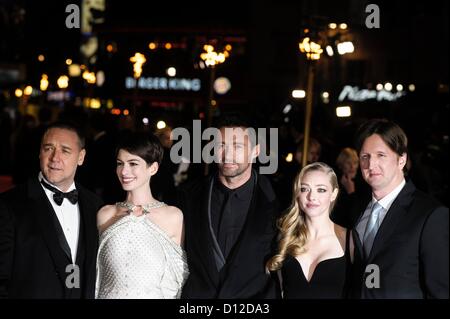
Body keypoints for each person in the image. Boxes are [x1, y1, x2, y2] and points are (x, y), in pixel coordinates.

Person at [178, 113, 280, 298]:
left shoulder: (278, 202)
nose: (228, 154)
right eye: (221, 146)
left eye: (237, 146)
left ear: (255, 151)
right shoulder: (187, 197)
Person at [0, 121, 103, 298]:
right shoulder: (9, 205)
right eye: (48, 148)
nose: (55, 158)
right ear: (40, 153)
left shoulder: (95, 205)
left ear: (81, 157)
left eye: (65, 150)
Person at [351, 118, 449, 298]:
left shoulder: (430, 215)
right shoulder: (355, 209)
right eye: (365, 156)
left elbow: (441, 291)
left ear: (401, 159)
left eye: (381, 155)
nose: (371, 165)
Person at [95, 131, 188, 299]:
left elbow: (177, 279)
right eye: (120, 163)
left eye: (133, 163)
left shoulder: (173, 216)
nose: (124, 171)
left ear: (153, 168)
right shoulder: (105, 214)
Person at [267, 162, 353, 298]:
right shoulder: (285, 238)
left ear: (333, 194)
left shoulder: (350, 240)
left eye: (321, 190)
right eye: (304, 189)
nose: (311, 197)